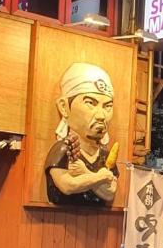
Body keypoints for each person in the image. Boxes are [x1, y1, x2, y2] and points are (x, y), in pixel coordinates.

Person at [44, 63, 118, 206]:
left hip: (99, 225)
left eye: (107, 106)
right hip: (60, 223)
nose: (101, 115)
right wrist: (101, 177)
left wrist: (85, 173)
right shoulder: (63, 149)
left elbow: (110, 192)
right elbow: (67, 185)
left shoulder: (106, 155)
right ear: (64, 107)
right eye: (90, 103)